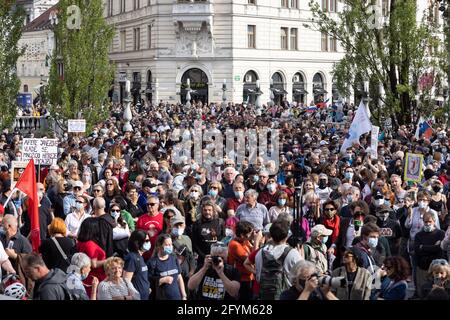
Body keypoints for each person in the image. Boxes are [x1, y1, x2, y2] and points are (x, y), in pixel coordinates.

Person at [255, 220, 302, 300]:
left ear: (271, 235)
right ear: (287, 235)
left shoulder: (260, 252)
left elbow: (258, 277)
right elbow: (302, 276)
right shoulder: (293, 253)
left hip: (265, 296)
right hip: (286, 296)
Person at [414, 212, 445, 298]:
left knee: (437, 291)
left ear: (434, 221)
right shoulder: (418, 235)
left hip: (437, 268)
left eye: (429, 221)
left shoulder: (440, 233)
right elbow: (417, 250)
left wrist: (423, 247)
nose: (427, 224)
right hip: (422, 267)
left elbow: (439, 249)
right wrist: (433, 247)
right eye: (425, 222)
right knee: (422, 291)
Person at [147, 234, 187, 300]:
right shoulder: (152, 262)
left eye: (171, 244)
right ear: (159, 246)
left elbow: (179, 277)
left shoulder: (174, 258)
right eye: (167, 245)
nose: (170, 247)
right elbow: (149, 283)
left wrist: (184, 295)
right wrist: (162, 280)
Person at [227, 221, 260, 300]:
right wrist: (256, 241)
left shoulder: (245, 241)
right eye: (250, 233)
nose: (252, 234)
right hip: (241, 280)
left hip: (249, 277)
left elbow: (256, 253)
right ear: (242, 235)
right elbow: (253, 259)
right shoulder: (234, 244)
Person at [76, 217, 107, 297]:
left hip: (88, 278)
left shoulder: (81, 242)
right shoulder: (90, 244)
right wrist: (109, 260)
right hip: (96, 280)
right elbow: (94, 264)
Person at [191, 201, 225, 268]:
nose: (207, 212)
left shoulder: (220, 222)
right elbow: (194, 243)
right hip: (202, 258)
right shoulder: (197, 224)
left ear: (213, 211)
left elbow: (223, 239)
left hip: (218, 257)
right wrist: (203, 256)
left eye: (209, 210)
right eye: (205, 210)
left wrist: (218, 254)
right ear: (202, 211)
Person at [123, 230, 152, 300]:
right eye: (147, 241)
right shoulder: (132, 258)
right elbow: (126, 281)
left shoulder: (139, 256)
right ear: (137, 242)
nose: (149, 243)